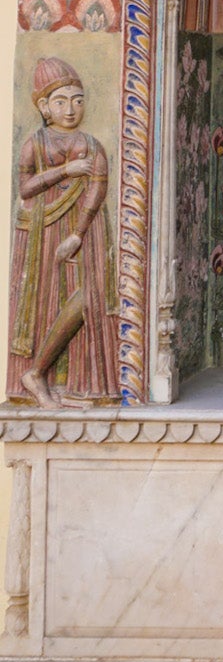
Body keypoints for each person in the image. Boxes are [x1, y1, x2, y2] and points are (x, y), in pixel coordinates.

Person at [7, 58, 117, 407]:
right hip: (42, 230)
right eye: (61, 101)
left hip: (85, 231)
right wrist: (66, 169)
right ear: (43, 106)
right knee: (44, 301)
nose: (71, 109)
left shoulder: (92, 144)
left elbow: (98, 190)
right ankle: (39, 377)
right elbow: (25, 188)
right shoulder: (34, 144)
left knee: (91, 297)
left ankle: (69, 382)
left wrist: (78, 235)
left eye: (78, 100)